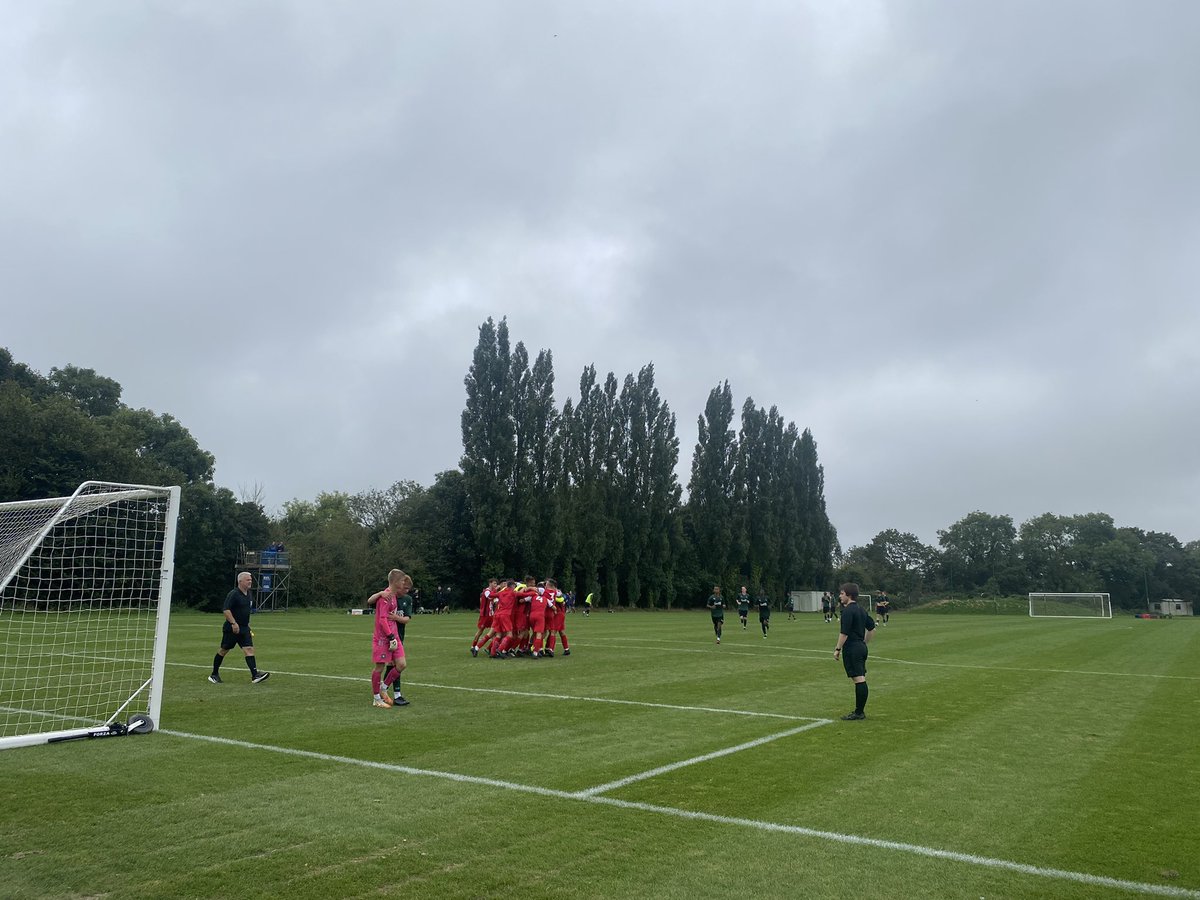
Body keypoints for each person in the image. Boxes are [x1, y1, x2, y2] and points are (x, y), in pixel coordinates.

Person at [209, 572, 270, 684]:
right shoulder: (234, 594)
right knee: (224, 650)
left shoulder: (249, 594)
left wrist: (247, 625)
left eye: (251, 580)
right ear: (240, 581)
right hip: (232, 628)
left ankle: (255, 675)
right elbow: (226, 610)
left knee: (249, 649)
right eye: (248, 580)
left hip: (244, 628)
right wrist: (233, 623)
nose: (250, 581)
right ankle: (214, 674)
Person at [367, 569, 412, 707]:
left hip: (394, 636)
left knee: (402, 664)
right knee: (379, 667)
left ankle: (383, 688)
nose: (404, 584)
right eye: (402, 581)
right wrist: (391, 636)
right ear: (396, 582)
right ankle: (376, 699)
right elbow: (382, 620)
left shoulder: (393, 596)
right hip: (384, 638)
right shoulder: (385, 597)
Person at [833, 582, 876, 720]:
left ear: (849, 595)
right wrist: (864, 642)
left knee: (859, 679)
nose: (840, 596)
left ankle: (859, 712)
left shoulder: (847, 611)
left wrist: (837, 649)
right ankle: (859, 711)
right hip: (861, 647)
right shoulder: (861, 610)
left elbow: (844, 633)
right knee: (860, 678)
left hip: (852, 648)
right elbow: (872, 628)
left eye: (842, 593)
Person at [470, 578, 499, 656]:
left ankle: (492, 649)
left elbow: (496, 601)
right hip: (485, 615)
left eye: (496, 584)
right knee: (480, 631)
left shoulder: (494, 592)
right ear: (490, 583)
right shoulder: (486, 591)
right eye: (494, 583)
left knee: (494, 632)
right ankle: (473, 646)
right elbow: (489, 597)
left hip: (491, 615)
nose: (495, 585)